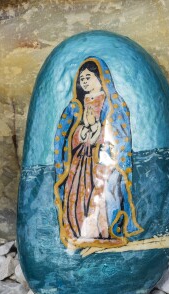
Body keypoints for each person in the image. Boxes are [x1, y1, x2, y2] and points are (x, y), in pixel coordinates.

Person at [53, 57, 143, 250]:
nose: (84, 81)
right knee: (76, 194)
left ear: (100, 77)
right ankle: (78, 232)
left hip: (103, 160)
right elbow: (68, 134)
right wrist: (83, 133)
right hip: (80, 159)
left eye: (88, 77)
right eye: (81, 78)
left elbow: (117, 133)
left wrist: (97, 132)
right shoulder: (76, 105)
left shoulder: (112, 103)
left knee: (102, 193)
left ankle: (103, 232)